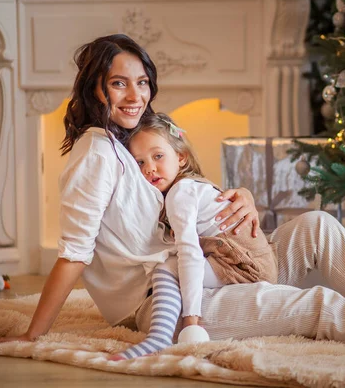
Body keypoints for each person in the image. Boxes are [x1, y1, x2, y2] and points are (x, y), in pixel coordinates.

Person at [0, 34, 345, 353]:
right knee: (316, 307)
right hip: (166, 301)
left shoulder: (133, 144)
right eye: (118, 82)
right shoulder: (94, 153)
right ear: (95, 89)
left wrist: (245, 204)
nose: (135, 94)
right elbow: (75, 253)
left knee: (315, 227)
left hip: (217, 265)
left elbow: (187, 192)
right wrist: (35, 336)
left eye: (142, 81)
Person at [110, 112, 278, 360]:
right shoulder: (188, 187)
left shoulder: (181, 193)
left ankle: (159, 337)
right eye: (140, 163)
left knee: (166, 269)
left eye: (158, 156)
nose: (150, 169)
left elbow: (189, 254)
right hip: (251, 261)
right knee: (171, 266)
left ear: (180, 157)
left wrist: (191, 321)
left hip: (246, 267)